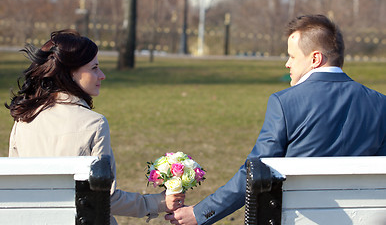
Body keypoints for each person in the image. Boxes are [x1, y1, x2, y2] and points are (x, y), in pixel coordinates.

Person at [165, 14, 386, 225]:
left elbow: (254, 174)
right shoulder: (380, 104)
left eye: (292, 56)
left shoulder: (285, 103)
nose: (287, 64)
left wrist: (201, 213)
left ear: (315, 58)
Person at [6, 29, 185, 224]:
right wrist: (157, 202)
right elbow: (105, 199)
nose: (102, 75)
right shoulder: (95, 124)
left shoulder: (23, 119)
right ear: (70, 73)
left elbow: (15, 190)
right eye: (94, 68)